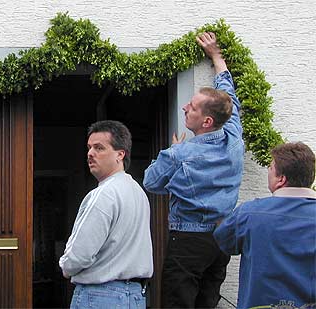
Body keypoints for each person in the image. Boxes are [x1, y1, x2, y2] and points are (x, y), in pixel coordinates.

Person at [142, 32, 244, 308]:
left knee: (178, 303)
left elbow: (151, 182)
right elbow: (228, 94)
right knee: (207, 302)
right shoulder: (233, 136)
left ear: (207, 121)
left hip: (187, 240)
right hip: (222, 240)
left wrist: (172, 156)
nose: (186, 107)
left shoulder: (179, 154)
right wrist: (217, 57)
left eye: (193, 107)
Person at [59, 120, 153, 308]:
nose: (90, 154)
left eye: (99, 148)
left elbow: (79, 255)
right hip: (134, 296)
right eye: (89, 148)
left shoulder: (103, 194)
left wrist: (66, 267)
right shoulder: (138, 192)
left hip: (100, 295)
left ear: (120, 154)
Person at [214, 142, 316, 309]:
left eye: (270, 168)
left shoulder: (249, 213)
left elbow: (223, 241)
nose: (268, 171)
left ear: (281, 179)